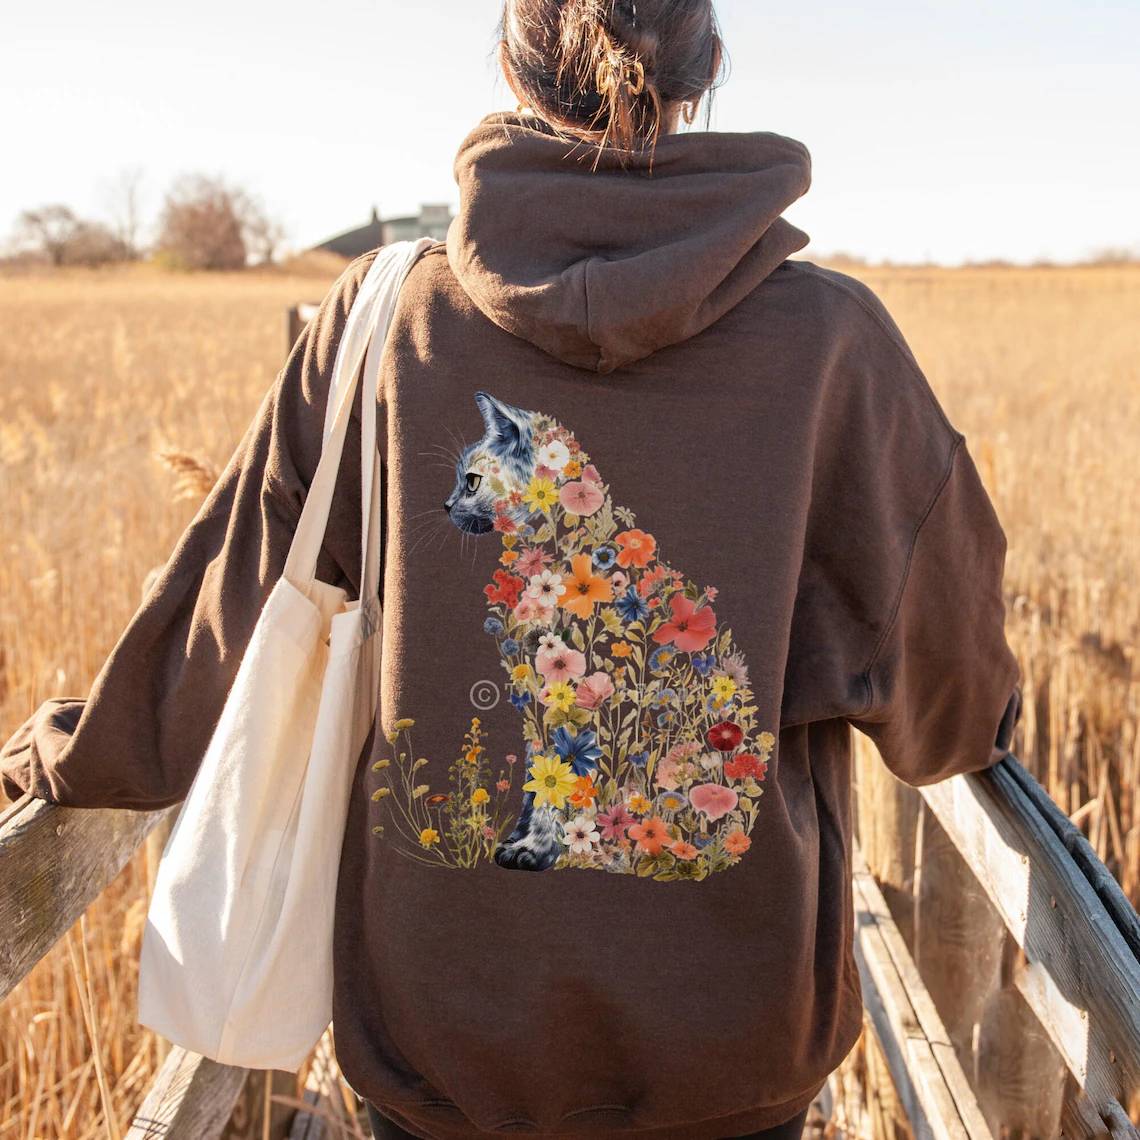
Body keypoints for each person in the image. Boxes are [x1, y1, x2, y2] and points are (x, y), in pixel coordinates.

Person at [1, 0, 1023, 1137]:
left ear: (516, 63)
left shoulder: (385, 320)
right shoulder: (837, 344)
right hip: (728, 1044)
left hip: (442, 1035)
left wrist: (72, 751)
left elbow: (226, 609)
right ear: (707, 69)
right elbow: (949, 710)